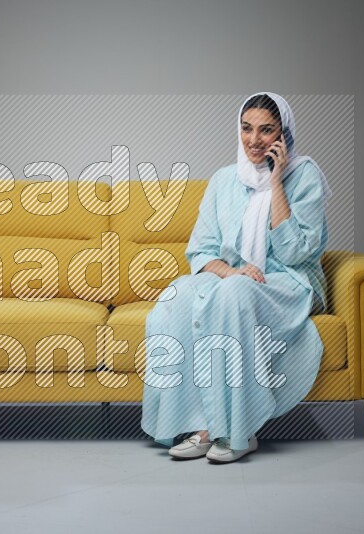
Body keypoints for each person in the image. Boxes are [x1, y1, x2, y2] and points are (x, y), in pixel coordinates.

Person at [140, 91, 333, 463]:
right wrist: (232, 272)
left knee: (234, 295)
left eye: (266, 130)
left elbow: (296, 252)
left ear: (284, 133)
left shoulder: (304, 174)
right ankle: (202, 423)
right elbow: (201, 251)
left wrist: (276, 182)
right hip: (236, 277)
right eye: (246, 129)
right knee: (175, 299)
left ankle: (237, 430)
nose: (254, 140)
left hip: (287, 283)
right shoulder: (224, 180)